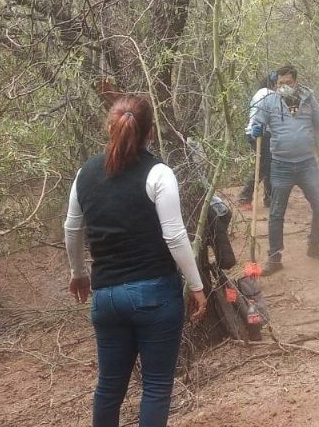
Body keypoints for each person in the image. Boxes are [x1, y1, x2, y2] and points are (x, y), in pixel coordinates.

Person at [64, 96, 208, 426]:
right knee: (156, 388)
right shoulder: (159, 173)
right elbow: (174, 236)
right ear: (151, 133)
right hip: (155, 295)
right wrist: (196, 285)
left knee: (109, 389)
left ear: (109, 128)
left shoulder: (84, 174)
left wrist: (78, 273)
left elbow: (72, 227)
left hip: (106, 297)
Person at [251, 64, 319, 276]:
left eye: (288, 83)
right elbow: (256, 126)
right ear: (275, 83)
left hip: (307, 163)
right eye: (280, 84)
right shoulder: (268, 101)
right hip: (280, 165)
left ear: (296, 81)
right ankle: (274, 257)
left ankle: (314, 245)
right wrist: (256, 129)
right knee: (277, 212)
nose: (284, 87)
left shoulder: (308, 98)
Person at [237, 72, 277, 210]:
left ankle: (270, 199)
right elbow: (259, 116)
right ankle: (245, 197)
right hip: (260, 133)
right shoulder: (266, 94)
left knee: (269, 166)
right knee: (263, 166)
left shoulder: (265, 92)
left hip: (264, 133)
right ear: (273, 83)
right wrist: (258, 130)